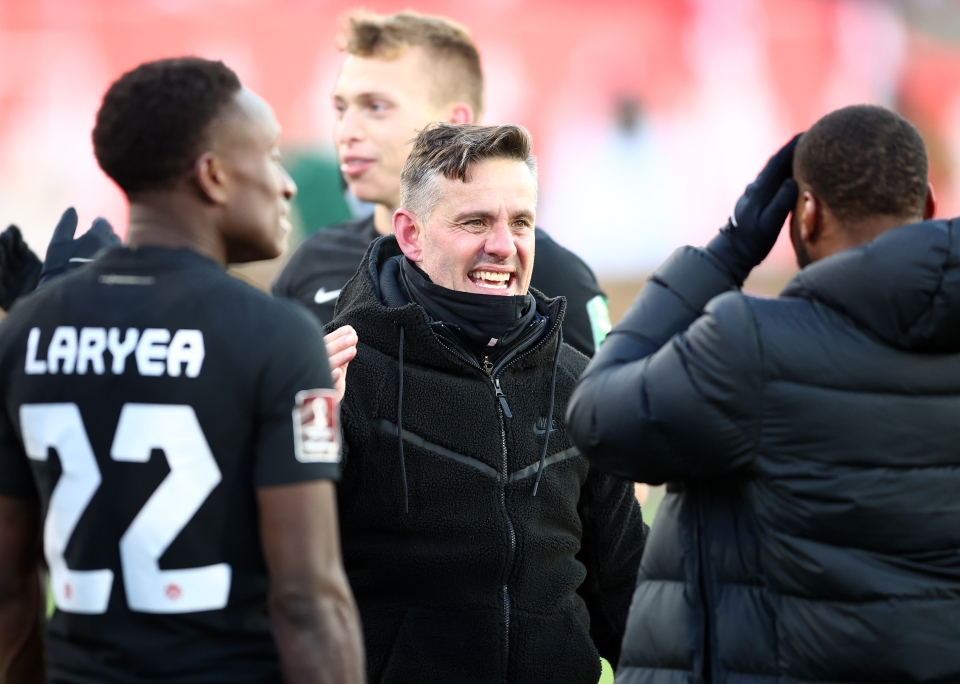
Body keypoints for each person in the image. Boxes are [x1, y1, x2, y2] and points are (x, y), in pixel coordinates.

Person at [0, 58, 365, 684]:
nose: (288, 184)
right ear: (215, 175)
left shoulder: (25, 331)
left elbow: (9, 588)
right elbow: (308, 601)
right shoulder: (276, 336)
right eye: (271, 156)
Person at [567, 104, 960, 682]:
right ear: (927, 204)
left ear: (805, 212)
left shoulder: (751, 346)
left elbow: (596, 416)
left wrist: (727, 251)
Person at [322, 121, 645, 684]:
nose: (504, 245)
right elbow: (285, 578)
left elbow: (626, 596)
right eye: (475, 222)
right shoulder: (342, 373)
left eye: (521, 222)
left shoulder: (580, 383)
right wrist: (306, 438)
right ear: (411, 234)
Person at [273, 10, 611, 357]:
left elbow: (598, 405)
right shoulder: (312, 264)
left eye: (376, 107)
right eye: (342, 109)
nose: (347, 131)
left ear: (453, 123)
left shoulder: (546, 271)